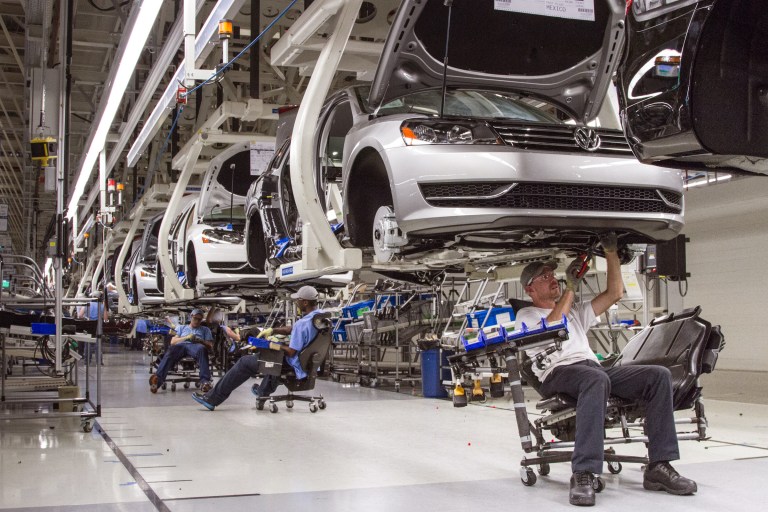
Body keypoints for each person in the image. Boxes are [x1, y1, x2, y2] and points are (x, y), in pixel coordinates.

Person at [515, 232, 696, 507]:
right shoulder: (526, 315)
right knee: (595, 378)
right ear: (530, 289)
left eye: (553, 275)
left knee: (658, 376)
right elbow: (554, 324)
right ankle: (584, 472)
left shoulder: (573, 311)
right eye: (545, 277)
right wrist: (571, 288)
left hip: (592, 370)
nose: (553, 279)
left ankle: (659, 466)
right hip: (559, 374)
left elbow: (615, 293)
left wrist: (611, 253)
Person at [191, 285, 321, 411]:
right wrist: (273, 330)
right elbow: (292, 329)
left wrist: (271, 345)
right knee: (271, 356)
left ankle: (212, 399)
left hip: (292, 363)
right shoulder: (320, 317)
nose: (296, 302)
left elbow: (291, 352)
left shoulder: (302, 324)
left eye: (298, 300)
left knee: (245, 362)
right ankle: (262, 392)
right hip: (308, 362)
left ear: (304, 302)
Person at [149, 308, 214, 393]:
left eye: (199, 319)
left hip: (196, 346)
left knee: (202, 349)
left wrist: (200, 341)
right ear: (191, 317)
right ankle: (157, 381)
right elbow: (173, 342)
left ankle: (205, 382)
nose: (197, 321)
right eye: (195, 318)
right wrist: (186, 337)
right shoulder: (181, 328)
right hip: (181, 345)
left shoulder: (205, 330)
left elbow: (210, 345)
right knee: (171, 350)